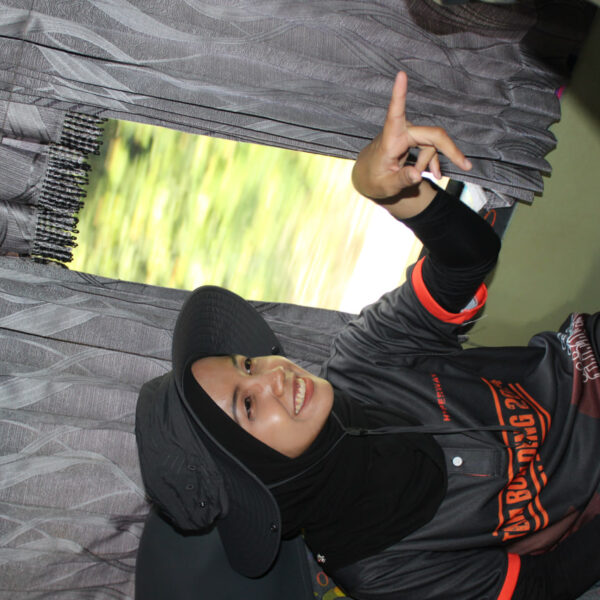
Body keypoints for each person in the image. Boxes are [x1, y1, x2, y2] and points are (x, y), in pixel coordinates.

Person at [135, 72, 600, 599]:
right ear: (250, 473)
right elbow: (542, 584)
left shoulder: (365, 358)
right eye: (246, 405)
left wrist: (391, 195)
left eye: (246, 364)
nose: (271, 376)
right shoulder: (380, 571)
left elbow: (465, 262)